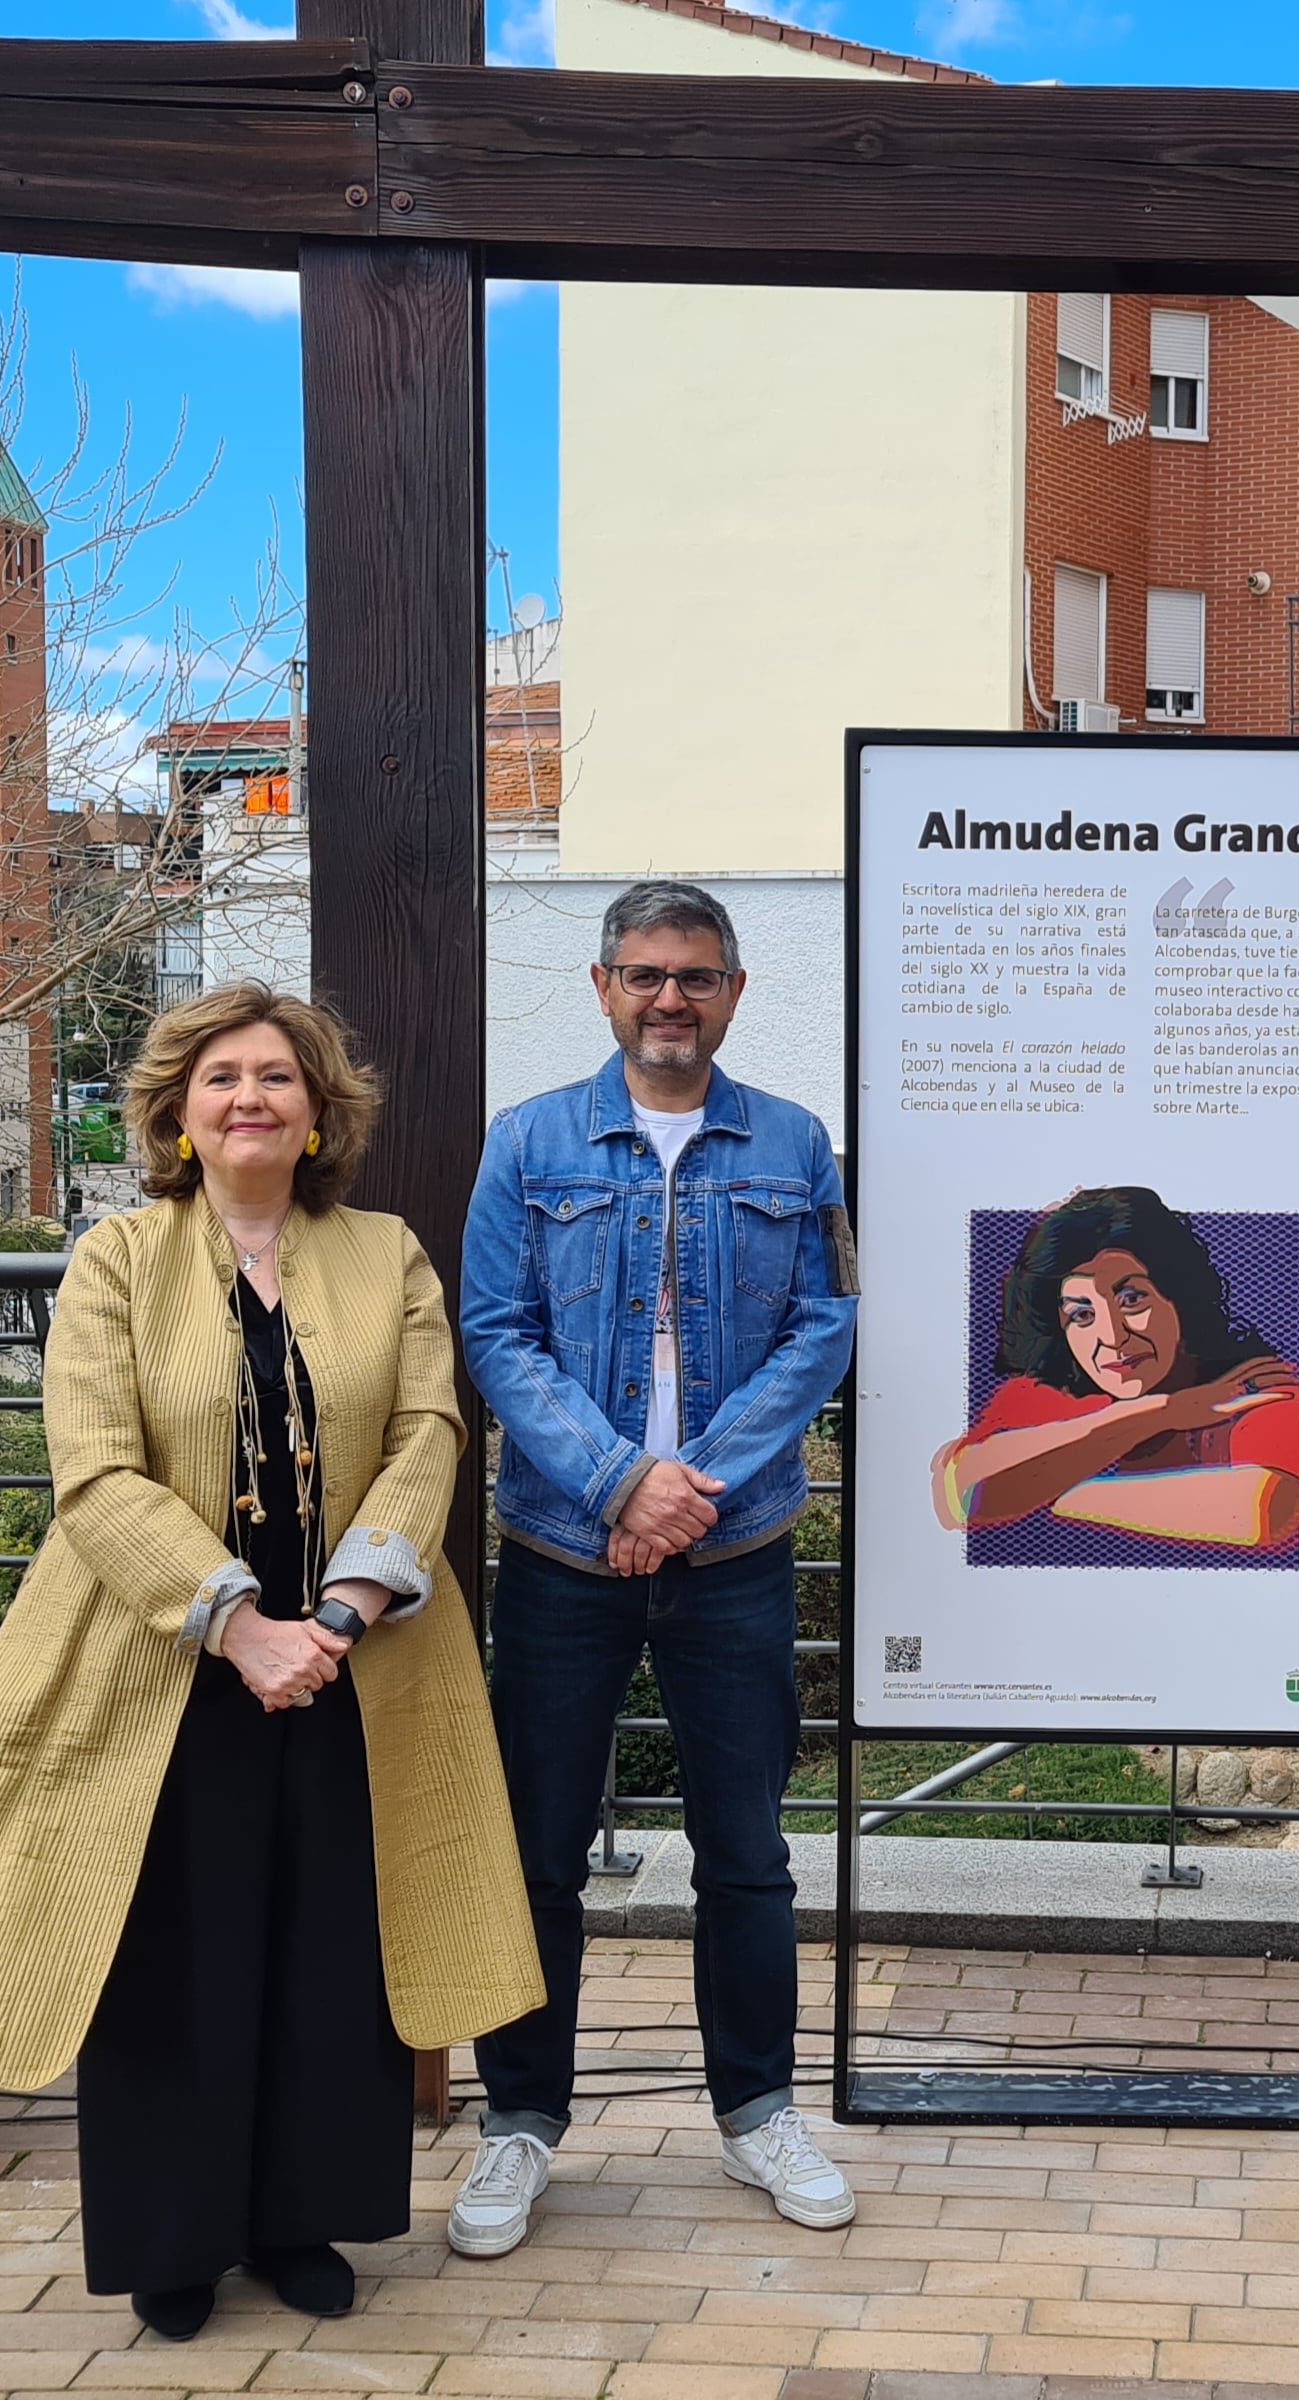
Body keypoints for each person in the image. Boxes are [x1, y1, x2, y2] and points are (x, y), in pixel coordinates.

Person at [0, 984, 539, 2341]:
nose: (252, 1097)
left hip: (355, 1670)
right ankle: (173, 2240)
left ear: (320, 1113)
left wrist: (340, 1615)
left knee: (330, 1951)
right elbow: (94, 1471)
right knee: (170, 1959)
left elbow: (431, 1433)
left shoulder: (388, 1254)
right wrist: (243, 1627)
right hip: (167, 1666)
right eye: (222, 1078)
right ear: (178, 1113)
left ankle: (302, 2221)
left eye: (279, 1078)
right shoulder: (119, 1259)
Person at [453, 879, 858, 2253]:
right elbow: (496, 1334)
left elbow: (823, 1330)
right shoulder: (529, 1144)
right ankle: (520, 2124)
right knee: (538, 1854)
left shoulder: (797, 1145)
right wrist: (622, 1480)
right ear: (603, 986)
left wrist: (691, 1493)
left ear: (733, 992)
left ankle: (758, 2114)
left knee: (745, 1852)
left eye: (694, 975)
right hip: (564, 1551)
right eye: (645, 974)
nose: (669, 997)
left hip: (733, 1551)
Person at [934, 1186, 1299, 1551]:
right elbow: (964, 1493)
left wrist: (1057, 1494)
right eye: (1082, 1315)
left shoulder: (1252, 1385)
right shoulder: (1045, 1395)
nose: (1113, 1337)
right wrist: (1162, 1413)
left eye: (1132, 1299)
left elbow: (1270, 1511)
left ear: (1179, 1298)